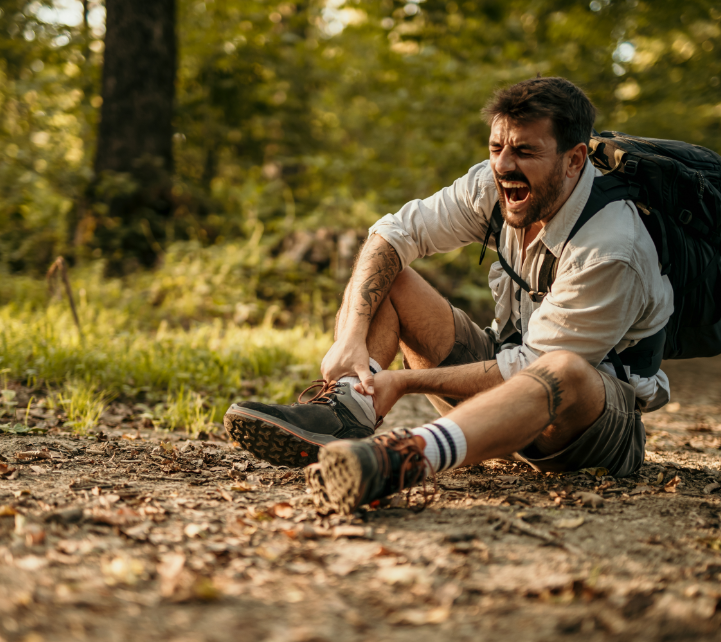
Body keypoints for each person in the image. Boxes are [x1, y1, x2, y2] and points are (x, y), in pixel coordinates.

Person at [223, 77, 673, 514]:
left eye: (525, 151)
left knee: (563, 368)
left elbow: (531, 367)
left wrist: (402, 381)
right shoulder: (491, 186)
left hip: (582, 429)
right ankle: (346, 412)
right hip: (501, 386)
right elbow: (393, 233)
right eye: (497, 148)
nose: (503, 165)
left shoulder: (613, 248)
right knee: (389, 275)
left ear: (575, 160)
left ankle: (403, 459)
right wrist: (351, 338)